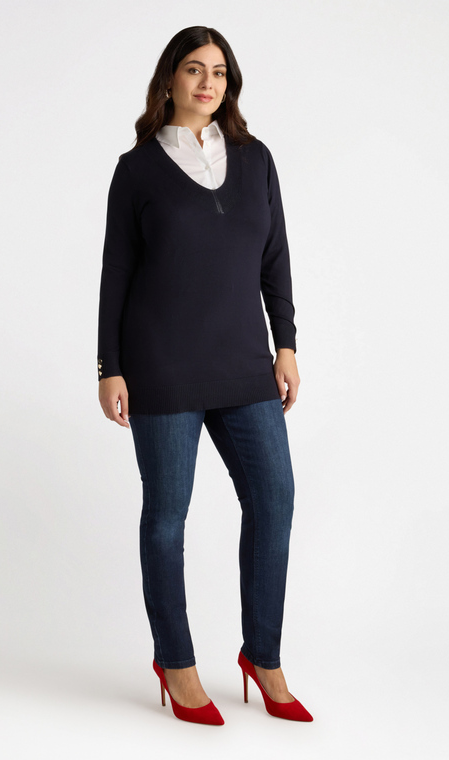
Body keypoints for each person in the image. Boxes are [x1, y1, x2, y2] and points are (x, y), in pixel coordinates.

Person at [97, 26, 312, 725]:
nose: (207, 82)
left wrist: (286, 344)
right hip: (161, 364)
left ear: (230, 83)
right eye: (194, 69)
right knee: (167, 518)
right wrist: (109, 366)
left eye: (219, 71)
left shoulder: (256, 159)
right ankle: (176, 662)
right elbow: (116, 273)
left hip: (244, 363)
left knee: (274, 500)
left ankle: (264, 656)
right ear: (170, 79)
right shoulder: (137, 169)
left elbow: (275, 258)